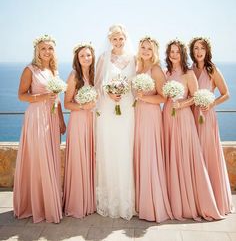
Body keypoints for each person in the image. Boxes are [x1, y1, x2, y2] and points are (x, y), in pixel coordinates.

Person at [163, 39, 223, 221]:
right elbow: (162, 95)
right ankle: (174, 200)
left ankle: (192, 201)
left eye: (177, 52)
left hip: (184, 117)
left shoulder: (189, 74)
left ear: (182, 54)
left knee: (186, 158)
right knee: (171, 156)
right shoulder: (166, 73)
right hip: (167, 117)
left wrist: (181, 104)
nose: (174, 55)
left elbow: (196, 97)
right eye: (171, 52)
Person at [13, 34, 66, 223]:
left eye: (50, 48)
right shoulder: (30, 70)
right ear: (37, 50)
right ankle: (36, 204)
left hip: (51, 118)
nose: (47, 51)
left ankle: (50, 201)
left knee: (51, 157)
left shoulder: (54, 71)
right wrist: (43, 97)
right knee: (39, 158)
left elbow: (57, 99)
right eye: (43, 48)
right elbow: (21, 95)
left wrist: (61, 120)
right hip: (36, 117)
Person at [95, 24, 136, 220]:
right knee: (110, 149)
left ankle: (129, 199)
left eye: (121, 39)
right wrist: (109, 93)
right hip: (109, 109)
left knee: (126, 149)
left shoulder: (134, 59)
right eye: (114, 39)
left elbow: (137, 83)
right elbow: (97, 84)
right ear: (109, 40)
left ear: (125, 39)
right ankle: (111, 199)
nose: (118, 42)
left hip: (128, 109)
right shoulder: (103, 58)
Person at [189, 37, 233, 215]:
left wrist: (211, 103)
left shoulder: (211, 69)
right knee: (194, 156)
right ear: (192, 51)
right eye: (196, 48)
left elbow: (226, 94)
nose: (199, 52)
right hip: (191, 117)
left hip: (207, 118)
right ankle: (197, 200)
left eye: (202, 48)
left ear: (207, 51)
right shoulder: (190, 69)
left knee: (207, 154)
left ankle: (213, 199)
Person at [133, 36, 173, 222]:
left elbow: (163, 98)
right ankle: (139, 202)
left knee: (149, 156)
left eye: (149, 48)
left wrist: (144, 98)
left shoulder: (156, 69)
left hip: (150, 115)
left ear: (154, 51)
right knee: (139, 155)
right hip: (137, 115)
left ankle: (152, 204)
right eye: (143, 47)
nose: (146, 51)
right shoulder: (136, 67)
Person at [63, 43, 96, 218]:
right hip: (78, 121)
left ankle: (89, 200)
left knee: (89, 158)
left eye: (88, 55)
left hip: (91, 121)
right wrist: (83, 106)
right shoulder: (74, 76)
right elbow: (67, 103)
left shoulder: (93, 75)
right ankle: (77, 203)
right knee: (78, 158)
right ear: (77, 58)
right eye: (82, 56)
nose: (86, 58)